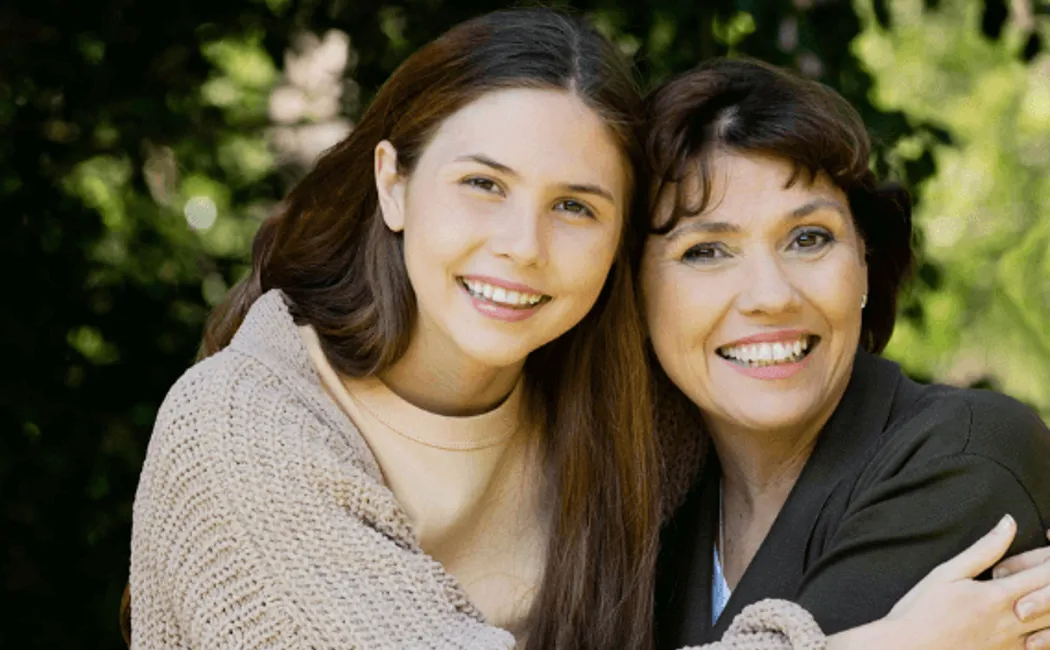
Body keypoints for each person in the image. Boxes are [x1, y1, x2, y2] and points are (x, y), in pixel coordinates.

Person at [125, 9, 1050, 650]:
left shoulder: (624, 434)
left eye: (576, 206)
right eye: (482, 185)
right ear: (392, 183)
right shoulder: (247, 432)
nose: (522, 247)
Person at [642, 57, 1050, 649]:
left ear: (864, 262)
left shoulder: (966, 454)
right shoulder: (649, 499)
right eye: (706, 251)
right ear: (631, 295)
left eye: (809, 239)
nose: (771, 296)